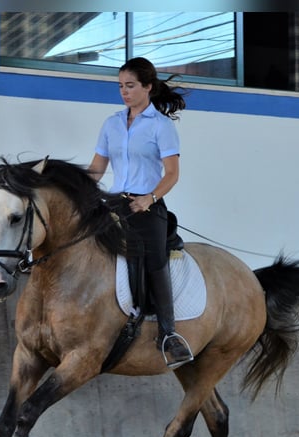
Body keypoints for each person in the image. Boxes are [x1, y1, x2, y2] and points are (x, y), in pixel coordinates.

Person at [88, 57, 194, 369]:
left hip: (147, 205)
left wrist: (150, 198)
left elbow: (172, 174)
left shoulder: (161, 126)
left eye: (130, 86)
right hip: (116, 203)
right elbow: (97, 168)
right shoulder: (111, 124)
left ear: (147, 87)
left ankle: (168, 333)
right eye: (121, 86)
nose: (124, 92)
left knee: (153, 257)